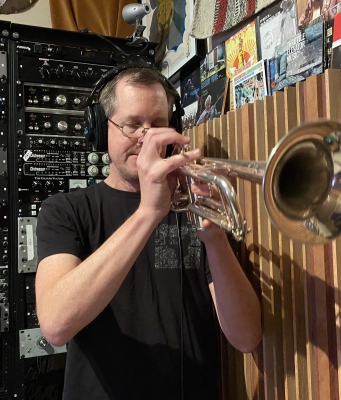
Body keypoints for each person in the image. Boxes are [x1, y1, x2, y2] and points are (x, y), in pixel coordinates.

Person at [35, 67, 262, 400]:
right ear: (101, 130)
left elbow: (246, 338)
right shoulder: (65, 211)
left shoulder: (194, 206)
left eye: (158, 124)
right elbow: (56, 325)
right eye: (132, 124)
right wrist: (148, 213)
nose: (148, 137)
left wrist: (214, 237)